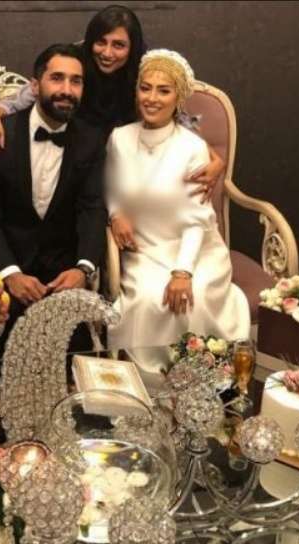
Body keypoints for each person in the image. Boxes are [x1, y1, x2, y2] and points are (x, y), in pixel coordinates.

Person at [105, 49, 250, 390]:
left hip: (195, 247)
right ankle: (148, 384)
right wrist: (116, 213)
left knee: (192, 296)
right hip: (144, 247)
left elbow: (196, 218)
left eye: (163, 91)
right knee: (145, 298)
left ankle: (198, 379)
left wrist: (183, 271)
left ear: (178, 98)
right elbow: (111, 186)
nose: (152, 98)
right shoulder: (119, 137)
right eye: (145, 88)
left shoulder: (192, 147)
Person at [0, 5, 224, 197]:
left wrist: (210, 156)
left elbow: (173, 113)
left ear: (133, 47)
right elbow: (33, 92)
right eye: (100, 42)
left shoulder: (144, 66)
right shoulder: (76, 58)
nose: (107, 53)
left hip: (125, 161)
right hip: (78, 156)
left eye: (118, 45)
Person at [0, 43, 107, 359]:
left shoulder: (91, 140)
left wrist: (83, 269)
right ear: (34, 85)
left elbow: (93, 209)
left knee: (74, 368)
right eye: (57, 78)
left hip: (62, 275)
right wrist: (10, 274)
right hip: (1, 269)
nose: (67, 90)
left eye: (76, 81)